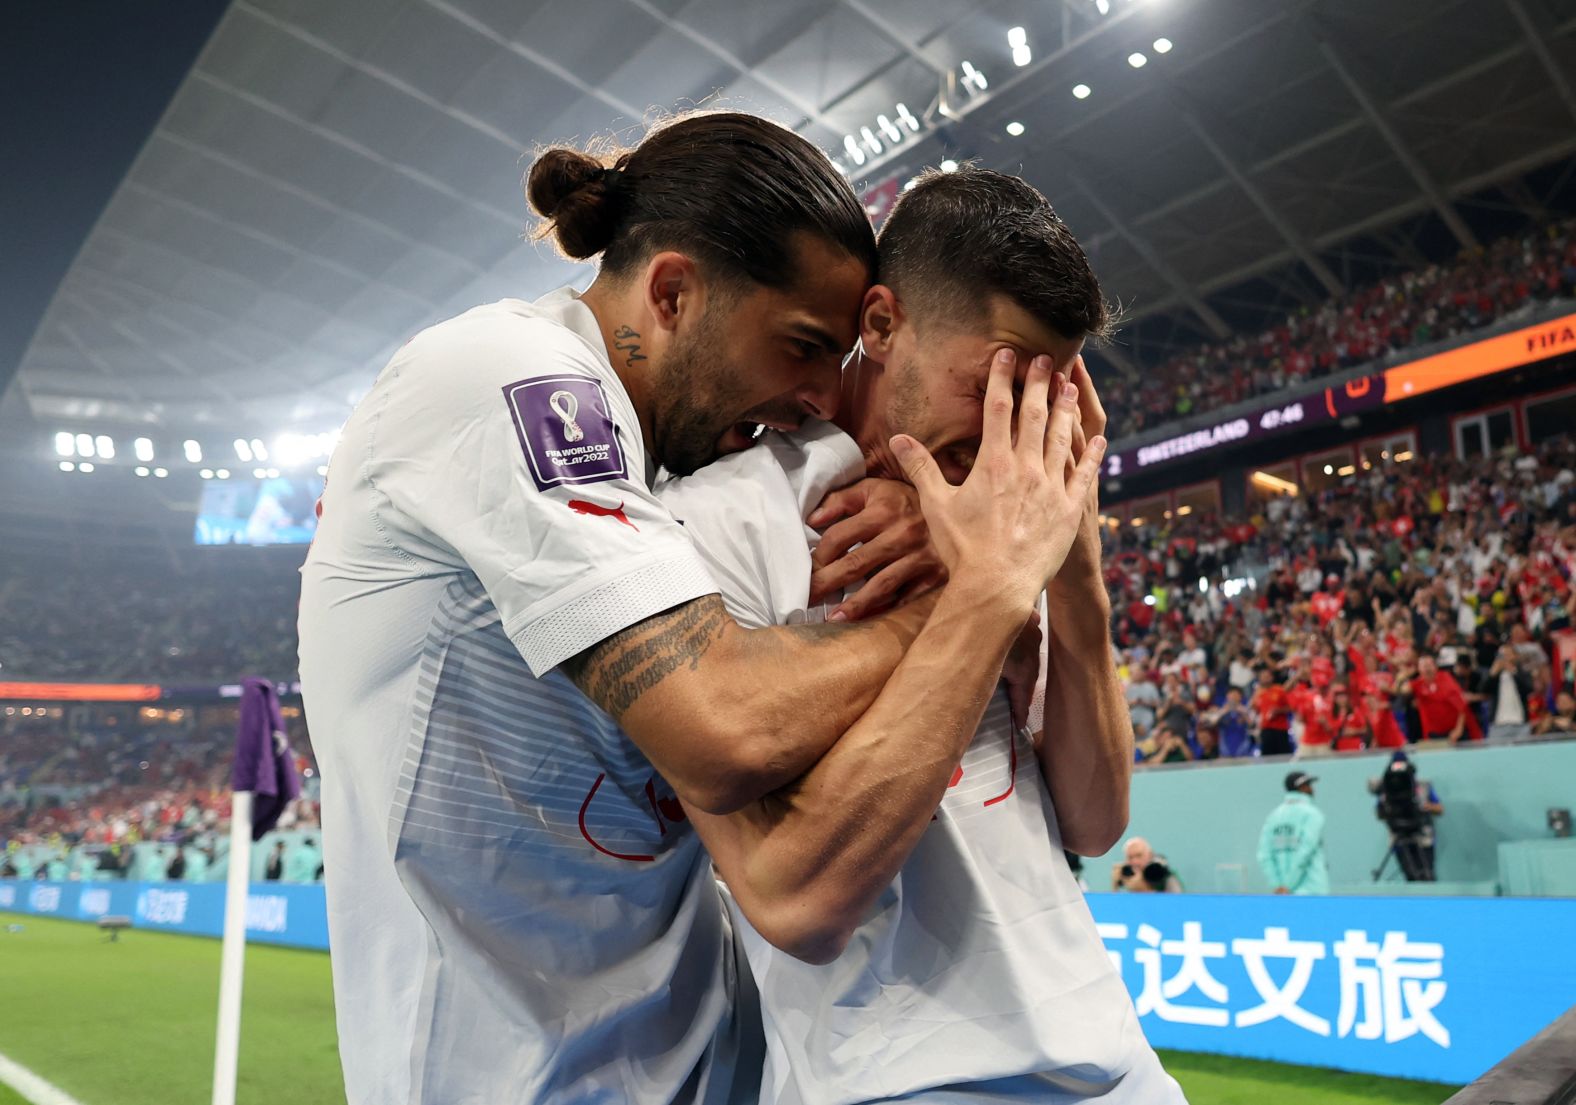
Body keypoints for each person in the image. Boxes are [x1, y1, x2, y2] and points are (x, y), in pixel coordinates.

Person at [298, 113, 1063, 1105]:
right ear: (672, 292)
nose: (811, 398)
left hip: (702, 1062)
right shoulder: (509, 377)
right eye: (798, 348)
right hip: (503, 1076)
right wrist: (978, 589)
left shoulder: (668, 459)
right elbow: (723, 726)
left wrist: (927, 506)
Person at [659, 168, 1181, 1102]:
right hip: (897, 1076)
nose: (1010, 432)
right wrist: (980, 592)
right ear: (882, 325)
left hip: (1115, 1063)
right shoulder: (722, 521)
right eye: (991, 384)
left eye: (1042, 399)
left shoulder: (1016, 518)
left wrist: (1075, 566)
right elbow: (794, 894)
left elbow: (1097, 822)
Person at [1257, 771, 1329, 895]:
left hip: (1284, 894)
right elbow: (1305, 851)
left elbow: (1264, 855)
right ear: (1302, 787)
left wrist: (1278, 885)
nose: (1312, 789)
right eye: (1308, 785)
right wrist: (1287, 886)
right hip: (1313, 890)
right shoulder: (1313, 814)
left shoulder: (1273, 816)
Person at [1401, 653, 1483, 743]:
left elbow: (1462, 707)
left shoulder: (1446, 680)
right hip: (1433, 734)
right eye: (1424, 666)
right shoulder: (1418, 684)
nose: (1427, 669)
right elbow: (1402, 690)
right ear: (1419, 669)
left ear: (1435, 667)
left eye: (1429, 666)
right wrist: (1402, 677)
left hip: (1453, 732)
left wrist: (1458, 729)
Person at [1110, 836, 1183, 894]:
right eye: (1130, 857)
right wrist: (1115, 886)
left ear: (1150, 855)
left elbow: (1176, 903)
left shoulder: (1165, 875)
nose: (1135, 862)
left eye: (1139, 856)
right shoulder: (1126, 875)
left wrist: (1143, 889)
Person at [1250, 665, 1295, 756]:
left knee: (1283, 755)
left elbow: (1290, 707)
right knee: (1267, 757)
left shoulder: (1279, 690)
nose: (1265, 679)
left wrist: (1278, 710)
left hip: (1280, 729)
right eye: (1263, 677)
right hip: (1265, 729)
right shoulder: (1258, 693)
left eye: (1267, 676)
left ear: (1272, 677)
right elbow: (1255, 709)